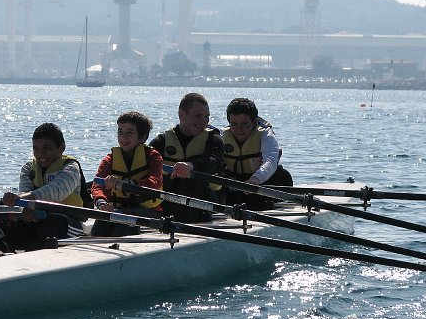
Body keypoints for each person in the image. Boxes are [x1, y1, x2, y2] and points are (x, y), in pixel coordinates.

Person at [0, 123, 90, 252]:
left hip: (69, 224)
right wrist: (23, 208)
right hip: (38, 219)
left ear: (61, 148)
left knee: (55, 221)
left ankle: (33, 256)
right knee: (3, 218)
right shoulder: (28, 168)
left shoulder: (71, 168)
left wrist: (24, 199)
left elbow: (55, 191)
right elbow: (24, 192)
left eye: (46, 148)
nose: (40, 154)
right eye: (36, 149)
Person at [149, 92, 224, 223]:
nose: (204, 121)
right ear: (181, 115)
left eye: (206, 117)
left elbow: (215, 162)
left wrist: (191, 166)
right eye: (198, 116)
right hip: (170, 199)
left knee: (190, 182)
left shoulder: (214, 140)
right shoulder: (162, 141)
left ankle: (182, 224)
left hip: (207, 200)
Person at [90, 111, 163, 236]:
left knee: (123, 218)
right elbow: (97, 186)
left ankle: (121, 243)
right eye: (120, 132)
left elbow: (154, 183)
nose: (123, 138)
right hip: (119, 209)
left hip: (149, 211)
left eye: (129, 133)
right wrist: (102, 203)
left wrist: (127, 184)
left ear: (143, 137)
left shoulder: (153, 157)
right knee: (103, 221)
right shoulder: (109, 159)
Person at [220, 97, 294, 210]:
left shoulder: (266, 134)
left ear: (254, 122)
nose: (239, 129)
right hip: (236, 185)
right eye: (234, 124)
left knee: (283, 176)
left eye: (245, 124)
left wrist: (255, 179)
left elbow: (270, 161)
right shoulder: (221, 136)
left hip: (262, 183)